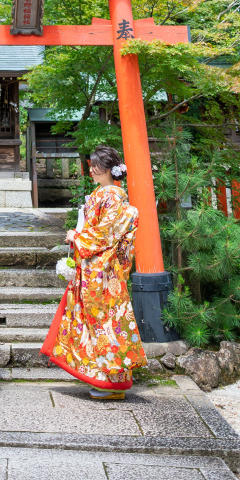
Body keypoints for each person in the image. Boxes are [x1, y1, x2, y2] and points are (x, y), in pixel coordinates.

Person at [42, 144, 147, 400]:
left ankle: (111, 383)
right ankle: (105, 381)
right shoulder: (103, 193)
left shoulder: (112, 195)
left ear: (110, 169)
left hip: (103, 271)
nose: (92, 170)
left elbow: (105, 233)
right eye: (91, 165)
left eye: (97, 166)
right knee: (101, 324)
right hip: (97, 267)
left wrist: (77, 237)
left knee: (105, 324)